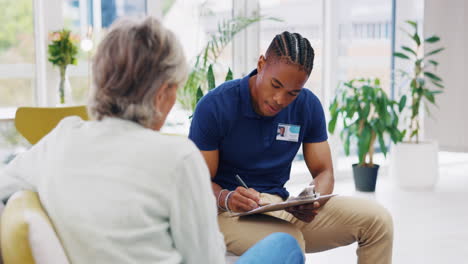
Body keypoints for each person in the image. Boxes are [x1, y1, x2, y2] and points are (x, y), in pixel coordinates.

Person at [0, 18, 304, 264]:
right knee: (284, 245)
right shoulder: (178, 157)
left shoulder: (62, 138)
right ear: (161, 93)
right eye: (174, 88)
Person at [189, 31, 394, 264]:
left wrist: (312, 200)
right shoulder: (216, 105)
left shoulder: (307, 106)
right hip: (226, 214)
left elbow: (324, 172)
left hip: (279, 206)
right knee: (289, 241)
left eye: (292, 93)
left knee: (378, 221)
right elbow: (198, 181)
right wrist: (227, 198)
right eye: (275, 85)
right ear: (261, 64)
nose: (279, 99)